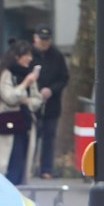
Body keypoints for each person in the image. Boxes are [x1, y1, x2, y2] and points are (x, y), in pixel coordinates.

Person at [0, 40, 46, 185]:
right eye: (26, 55)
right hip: (7, 122)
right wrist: (25, 84)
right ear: (17, 57)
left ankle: (18, 183)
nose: (30, 59)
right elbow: (9, 97)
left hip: (24, 123)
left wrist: (26, 100)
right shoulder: (5, 74)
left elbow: (37, 100)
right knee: (8, 158)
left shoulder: (29, 75)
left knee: (21, 157)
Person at [30, 26, 70, 179]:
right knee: (32, 136)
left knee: (49, 137)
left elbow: (64, 78)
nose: (44, 42)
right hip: (32, 104)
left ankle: (46, 169)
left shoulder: (57, 55)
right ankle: (29, 166)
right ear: (35, 38)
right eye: (41, 39)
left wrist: (51, 90)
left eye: (47, 40)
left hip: (51, 104)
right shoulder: (28, 54)